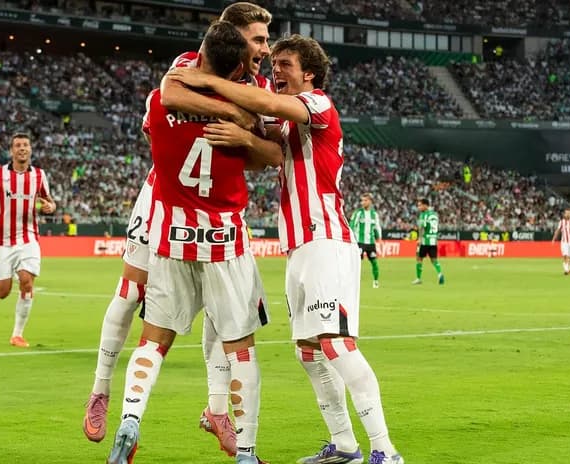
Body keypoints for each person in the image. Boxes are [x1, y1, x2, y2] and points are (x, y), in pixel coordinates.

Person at [168, 34, 404, 464]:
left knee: (336, 345)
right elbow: (261, 135)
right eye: (272, 63)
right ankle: (346, 445)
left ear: (308, 73)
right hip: (299, 246)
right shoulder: (286, 122)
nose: (275, 71)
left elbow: (271, 107)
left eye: (285, 64)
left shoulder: (318, 104)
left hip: (325, 239)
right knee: (309, 351)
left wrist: (209, 80)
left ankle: (385, 449)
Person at [85, 2, 276, 454]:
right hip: (163, 197)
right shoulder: (189, 65)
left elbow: (269, 152)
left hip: (196, 207)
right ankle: (100, 391)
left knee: (215, 313)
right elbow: (170, 96)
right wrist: (234, 113)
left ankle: (215, 410)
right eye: (259, 40)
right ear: (231, 38)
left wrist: (245, 133)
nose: (265, 50)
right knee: (131, 292)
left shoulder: (255, 83)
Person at [0, 133, 56, 347]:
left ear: (30, 149)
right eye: (18, 145)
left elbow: (50, 201)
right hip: (2, 240)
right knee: (3, 291)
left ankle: (17, 334)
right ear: (11, 151)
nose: (22, 148)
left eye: (26, 145)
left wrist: (50, 207)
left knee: (27, 281)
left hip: (29, 238)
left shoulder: (39, 175)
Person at [350, 193, 383, 288]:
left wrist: (379, 238)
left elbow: (377, 227)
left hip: (371, 243)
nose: (362, 202)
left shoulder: (374, 214)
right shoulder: (358, 213)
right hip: (359, 242)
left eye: (365, 200)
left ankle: (376, 281)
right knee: (356, 262)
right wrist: (352, 239)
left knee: (374, 262)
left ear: (370, 201)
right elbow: (352, 225)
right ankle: (353, 282)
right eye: (362, 200)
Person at [413, 198, 445, 285]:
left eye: (420, 205)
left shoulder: (423, 215)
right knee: (434, 260)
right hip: (433, 241)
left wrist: (419, 239)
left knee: (419, 258)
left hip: (425, 241)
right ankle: (440, 274)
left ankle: (418, 278)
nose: (419, 207)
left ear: (425, 205)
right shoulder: (435, 214)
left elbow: (422, 227)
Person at [551, 208, 570, 276]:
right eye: (566, 213)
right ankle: (566, 270)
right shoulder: (561, 222)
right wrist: (553, 239)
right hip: (564, 241)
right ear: (564, 214)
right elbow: (558, 230)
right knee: (565, 255)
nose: (568, 214)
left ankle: (569, 269)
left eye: (569, 213)